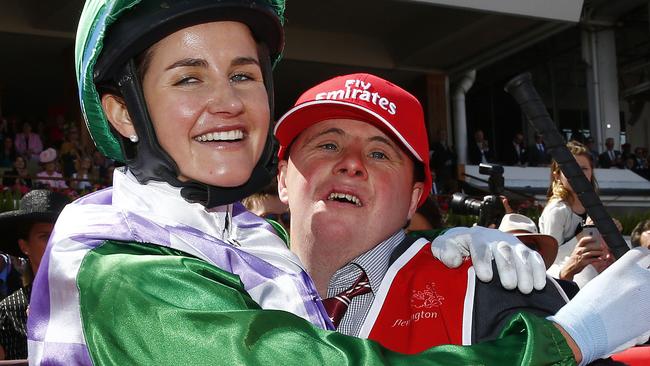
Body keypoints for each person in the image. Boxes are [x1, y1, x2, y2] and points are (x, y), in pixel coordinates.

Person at [28, 2, 567, 365]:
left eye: (243, 74)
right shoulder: (122, 267)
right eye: (189, 77)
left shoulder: (248, 246)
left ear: (417, 196)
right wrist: (567, 340)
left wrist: (443, 243)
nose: (229, 101)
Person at [274, 73, 650, 363]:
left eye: (378, 154)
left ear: (414, 199)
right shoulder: (227, 291)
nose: (351, 163)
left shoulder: (492, 285)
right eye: (328, 144)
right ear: (282, 179)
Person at [0, 190, 69, 360]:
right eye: (45, 236)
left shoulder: (93, 301)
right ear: (25, 246)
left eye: (61, 234)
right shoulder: (8, 311)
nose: (55, 242)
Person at [539, 141, 614, 286]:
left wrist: (610, 230)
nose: (578, 174)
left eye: (584, 169)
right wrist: (584, 234)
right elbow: (550, 259)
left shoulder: (593, 206)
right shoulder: (556, 210)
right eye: (571, 169)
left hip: (595, 278)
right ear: (557, 175)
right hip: (565, 283)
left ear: (591, 172)